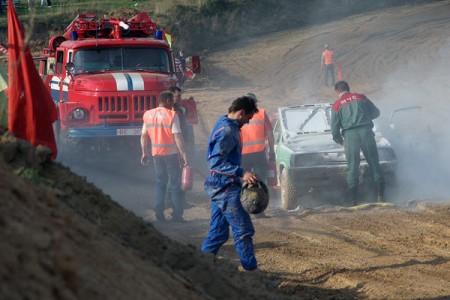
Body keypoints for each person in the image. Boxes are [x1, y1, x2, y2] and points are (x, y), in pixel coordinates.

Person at [201, 95, 259, 271]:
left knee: (218, 233)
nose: (248, 122)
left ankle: (200, 266)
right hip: (226, 188)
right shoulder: (228, 131)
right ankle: (251, 273)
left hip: (217, 186)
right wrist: (241, 172)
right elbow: (216, 162)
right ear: (241, 113)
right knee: (243, 230)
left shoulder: (223, 122)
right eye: (248, 118)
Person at [331, 81, 385, 205]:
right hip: (366, 132)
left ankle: (353, 201)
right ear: (348, 89)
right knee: (374, 163)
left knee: (353, 167)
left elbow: (334, 129)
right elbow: (376, 112)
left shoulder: (337, 105)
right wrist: (364, 117)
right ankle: (381, 197)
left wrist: (340, 141)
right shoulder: (361, 97)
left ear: (337, 92)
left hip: (350, 136)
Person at [141, 90, 189, 222]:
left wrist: (145, 153)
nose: (173, 104)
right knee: (175, 185)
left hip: (156, 155)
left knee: (160, 183)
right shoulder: (172, 115)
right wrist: (184, 155)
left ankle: (159, 213)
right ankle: (177, 216)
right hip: (172, 155)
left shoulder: (148, 114)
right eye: (172, 101)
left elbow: (144, 136)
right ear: (167, 101)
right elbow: (177, 136)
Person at [240, 93, 275, 218]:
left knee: (244, 181)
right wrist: (272, 151)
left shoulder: (239, 114)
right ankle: (258, 211)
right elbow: (270, 134)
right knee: (260, 181)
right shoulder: (261, 113)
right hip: (259, 153)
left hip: (243, 154)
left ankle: (244, 210)